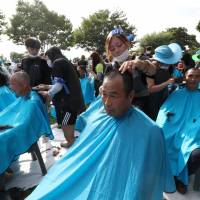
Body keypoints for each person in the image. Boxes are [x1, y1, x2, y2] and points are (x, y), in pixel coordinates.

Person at [27, 70, 175, 200]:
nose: (107, 102)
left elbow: (148, 181)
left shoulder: (150, 131)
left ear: (130, 96)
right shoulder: (98, 118)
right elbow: (80, 153)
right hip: (92, 179)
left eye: (113, 96)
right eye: (104, 94)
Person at [156, 68, 200, 194]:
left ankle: (180, 177)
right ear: (185, 77)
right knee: (161, 142)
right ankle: (170, 174)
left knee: (196, 154)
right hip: (172, 132)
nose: (193, 79)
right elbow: (164, 114)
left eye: (196, 76)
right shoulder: (175, 94)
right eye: (190, 76)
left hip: (193, 136)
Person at [34, 46, 85, 148]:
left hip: (69, 102)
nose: (47, 61)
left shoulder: (57, 63)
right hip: (73, 99)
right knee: (68, 122)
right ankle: (71, 140)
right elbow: (63, 84)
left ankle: (71, 143)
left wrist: (48, 93)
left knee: (66, 124)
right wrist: (46, 86)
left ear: (51, 55)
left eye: (47, 58)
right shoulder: (64, 61)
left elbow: (59, 86)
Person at [105, 28, 156, 114]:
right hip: (119, 110)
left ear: (127, 43)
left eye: (119, 45)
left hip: (142, 111)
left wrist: (139, 64)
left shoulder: (139, 59)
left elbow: (153, 70)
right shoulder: (110, 67)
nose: (117, 50)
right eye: (112, 49)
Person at [146, 43, 183, 120]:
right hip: (152, 100)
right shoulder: (151, 68)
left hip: (163, 96)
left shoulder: (168, 67)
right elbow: (151, 89)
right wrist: (167, 83)